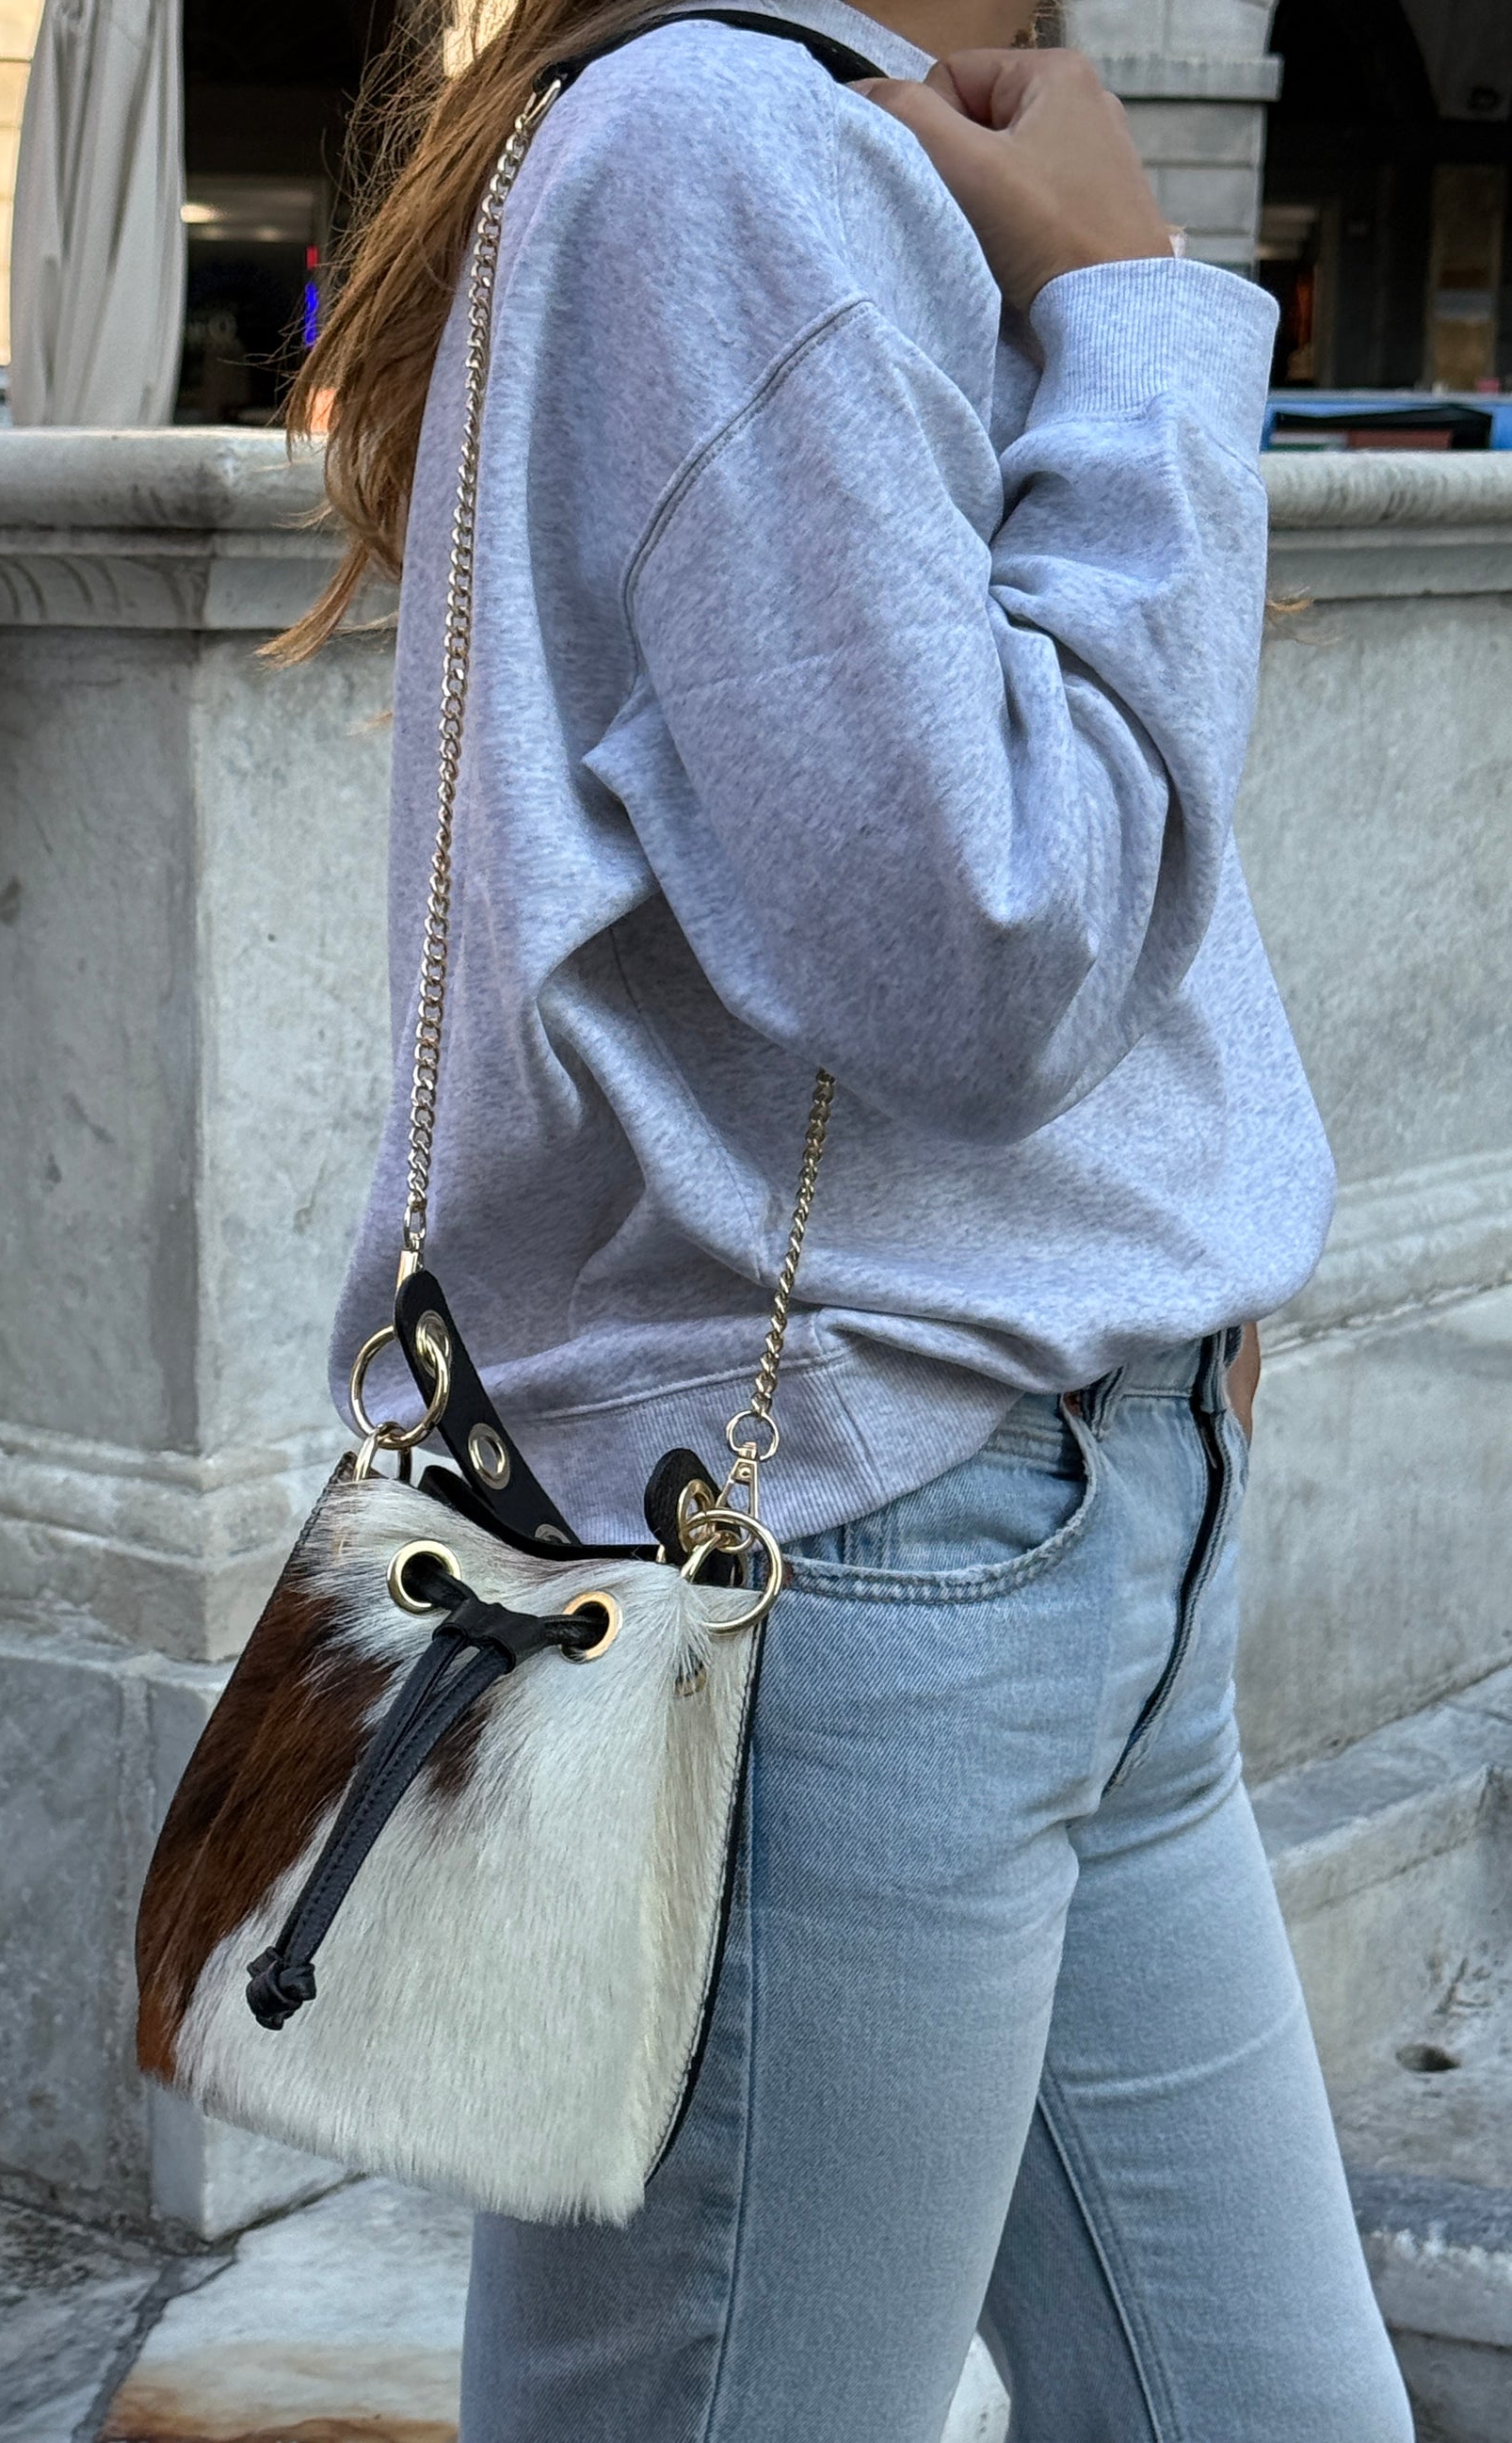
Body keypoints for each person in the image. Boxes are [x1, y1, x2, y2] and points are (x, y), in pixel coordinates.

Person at [277, 2, 1414, 2435]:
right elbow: (978, 952)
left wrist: (1177, 1248)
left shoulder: (847, 144)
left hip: (1073, 1519)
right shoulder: (723, 148)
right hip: (841, 1571)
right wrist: (1137, 319)